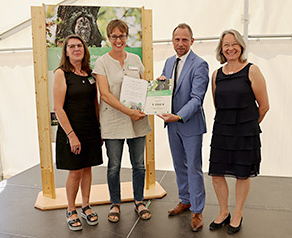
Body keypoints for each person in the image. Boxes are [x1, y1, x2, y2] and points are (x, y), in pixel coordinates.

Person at [208, 29, 269, 234]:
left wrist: (248, 125)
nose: (230, 48)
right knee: (216, 174)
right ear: (221, 49)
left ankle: (238, 213)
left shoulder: (252, 70)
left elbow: (264, 106)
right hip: (222, 129)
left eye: (234, 44)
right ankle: (224, 211)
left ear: (241, 46)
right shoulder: (216, 74)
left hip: (245, 131)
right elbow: (217, 105)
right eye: (226, 44)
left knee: (243, 174)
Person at [93, 19, 152, 223]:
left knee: (139, 165)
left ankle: (139, 201)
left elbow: (144, 86)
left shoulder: (135, 59)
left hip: (137, 121)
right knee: (114, 166)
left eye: (122, 35)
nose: (119, 40)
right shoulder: (101, 63)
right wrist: (129, 111)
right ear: (109, 38)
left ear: (127, 37)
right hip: (114, 122)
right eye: (114, 36)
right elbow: (105, 95)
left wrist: (158, 87)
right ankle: (115, 204)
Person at [157, 23, 209, 232]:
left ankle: (197, 210)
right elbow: (164, 93)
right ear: (172, 41)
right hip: (172, 125)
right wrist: (159, 84)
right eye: (177, 39)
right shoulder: (168, 63)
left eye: (184, 40)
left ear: (192, 41)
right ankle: (185, 200)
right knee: (179, 165)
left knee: (194, 168)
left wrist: (178, 116)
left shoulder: (200, 64)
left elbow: (197, 99)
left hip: (189, 124)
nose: (180, 43)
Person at [53, 34, 103, 231]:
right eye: (72, 46)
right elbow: (58, 108)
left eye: (79, 46)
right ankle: (71, 209)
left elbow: (95, 103)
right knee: (75, 171)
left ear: (84, 49)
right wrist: (71, 135)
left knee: (87, 168)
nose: (76, 49)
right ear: (66, 51)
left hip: (91, 128)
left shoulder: (90, 73)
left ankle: (86, 205)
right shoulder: (61, 74)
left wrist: (99, 129)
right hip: (72, 130)